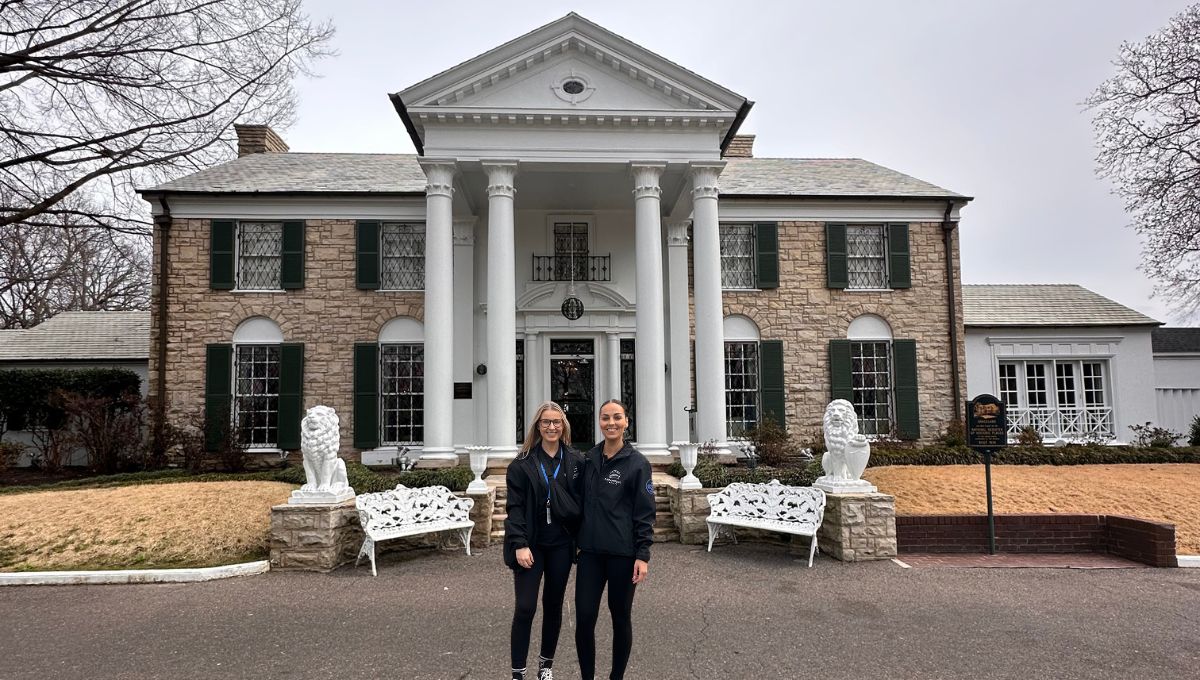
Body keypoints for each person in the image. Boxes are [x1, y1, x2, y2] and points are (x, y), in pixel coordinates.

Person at [575, 399, 655, 680]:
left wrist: (642, 555)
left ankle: (616, 677)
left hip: (623, 555)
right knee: (584, 619)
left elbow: (645, 513)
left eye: (617, 417)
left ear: (626, 422)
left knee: (620, 618)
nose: (611, 423)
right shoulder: (588, 459)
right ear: (599, 422)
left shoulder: (637, 464)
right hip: (590, 555)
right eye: (605, 417)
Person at [504, 401, 584, 680]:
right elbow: (514, 508)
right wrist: (519, 543)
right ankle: (518, 673)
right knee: (525, 607)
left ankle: (545, 667)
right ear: (537, 426)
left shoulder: (575, 461)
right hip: (532, 545)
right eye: (546, 422)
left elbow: (585, 503)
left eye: (556, 422)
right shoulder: (522, 464)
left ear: (563, 427)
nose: (551, 427)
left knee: (553, 605)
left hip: (561, 545)